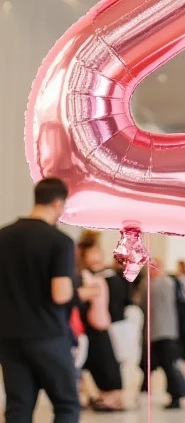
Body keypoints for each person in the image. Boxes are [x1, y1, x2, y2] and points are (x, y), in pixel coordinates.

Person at [0, 178, 80, 423]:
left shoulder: (3, 236)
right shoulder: (59, 241)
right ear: (58, 203)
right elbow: (60, 294)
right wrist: (79, 290)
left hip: (9, 336)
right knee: (66, 404)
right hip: (47, 335)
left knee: (18, 407)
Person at [75, 233, 124, 412]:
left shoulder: (104, 277)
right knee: (93, 362)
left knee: (106, 360)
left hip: (101, 324)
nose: (97, 257)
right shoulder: (85, 277)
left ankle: (111, 395)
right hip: (89, 326)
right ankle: (100, 394)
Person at [138, 260, 185, 410]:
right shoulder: (164, 283)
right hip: (160, 332)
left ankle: (178, 392)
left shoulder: (159, 283)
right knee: (153, 364)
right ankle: (148, 389)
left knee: (167, 365)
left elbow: (141, 302)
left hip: (162, 332)